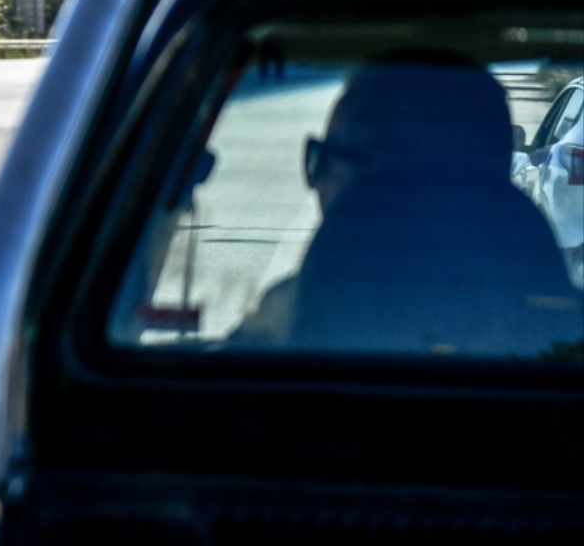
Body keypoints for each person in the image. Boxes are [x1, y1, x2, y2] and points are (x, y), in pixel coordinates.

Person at [227, 49, 580, 354]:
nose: (314, 181)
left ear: (362, 177)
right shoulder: (568, 333)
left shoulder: (280, 331)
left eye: (321, 159)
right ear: (497, 166)